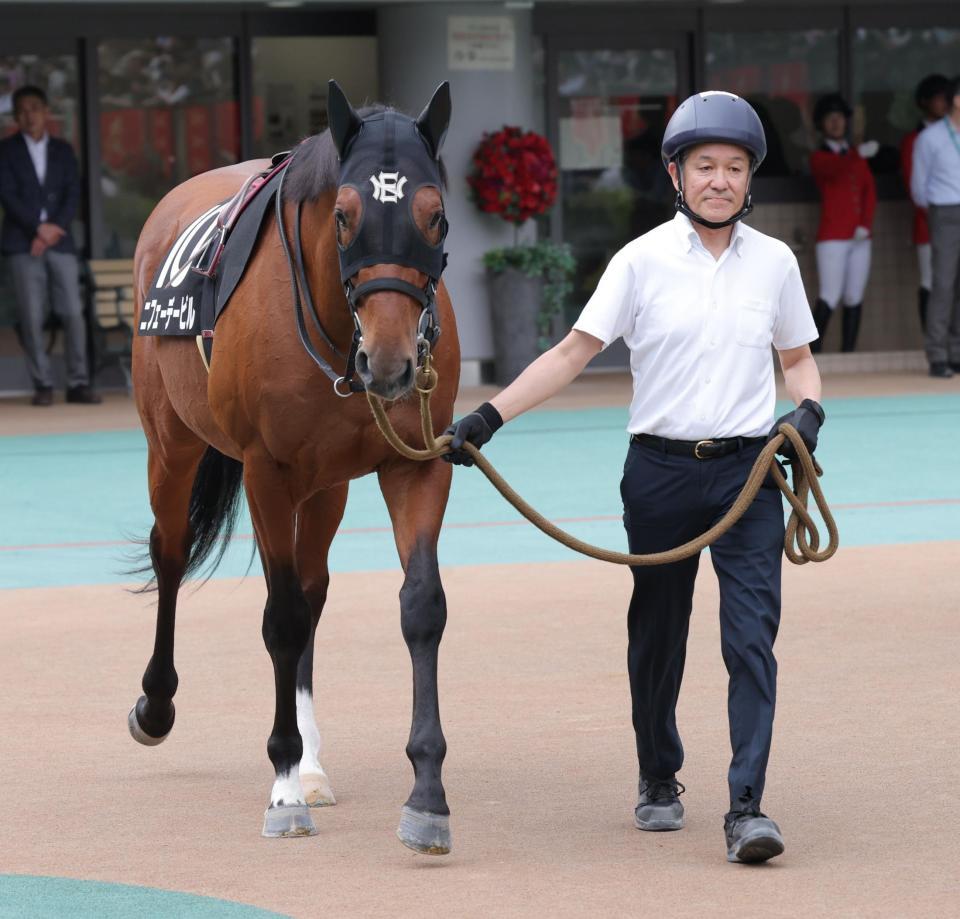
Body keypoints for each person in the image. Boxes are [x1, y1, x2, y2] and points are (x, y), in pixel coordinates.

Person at [444, 91, 823, 864]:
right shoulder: (640, 260)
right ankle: (659, 774)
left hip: (750, 474)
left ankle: (747, 805)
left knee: (752, 638)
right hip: (658, 473)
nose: (720, 179)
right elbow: (571, 353)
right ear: (676, 175)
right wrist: (488, 418)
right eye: (705, 166)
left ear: (751, 181)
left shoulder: (777, 263)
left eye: (735, 167)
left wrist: (809, 412)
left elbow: (797, 360)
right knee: (658, 631)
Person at [0, 84, 100, 405]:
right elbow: (7, 194)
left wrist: (54, 228)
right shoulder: (6, 150)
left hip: (60, 242)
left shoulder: (62, 150)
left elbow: (73, 193)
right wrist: (38, 228)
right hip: (23, 243)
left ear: (45, 112)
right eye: (23, 109)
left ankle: (77, 382)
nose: (29, 114)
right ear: (16, 116)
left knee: (73, 312)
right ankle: (43, 384)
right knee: (31, 315)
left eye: (35, 108)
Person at [809, 93, 878, 354]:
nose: (836, 123)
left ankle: (849, 355)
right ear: (822, 124)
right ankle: (812, 355)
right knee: (829, 295)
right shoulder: (820, 156)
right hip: (833, 236)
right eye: (830, 118)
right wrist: (858, 153)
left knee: (854, 297)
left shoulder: (853, 156)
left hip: (860, 237)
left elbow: (869, 192)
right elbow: (835, 170)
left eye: (840, 118)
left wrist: (866, 225)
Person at [910, 75, 960, 379]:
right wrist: (937, 211)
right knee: (943, 282)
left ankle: (957, 352)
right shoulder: (930, 137)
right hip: (945, 212)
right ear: (957, 99)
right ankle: (938, 355)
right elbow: (919, 185)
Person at [900, 75, 951, 334]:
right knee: (931, 282)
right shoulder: (915, 139)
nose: (944, 102)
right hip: (929, 222)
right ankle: (930, 340)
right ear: (924, 102)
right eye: (938, 97)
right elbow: (915, 187)